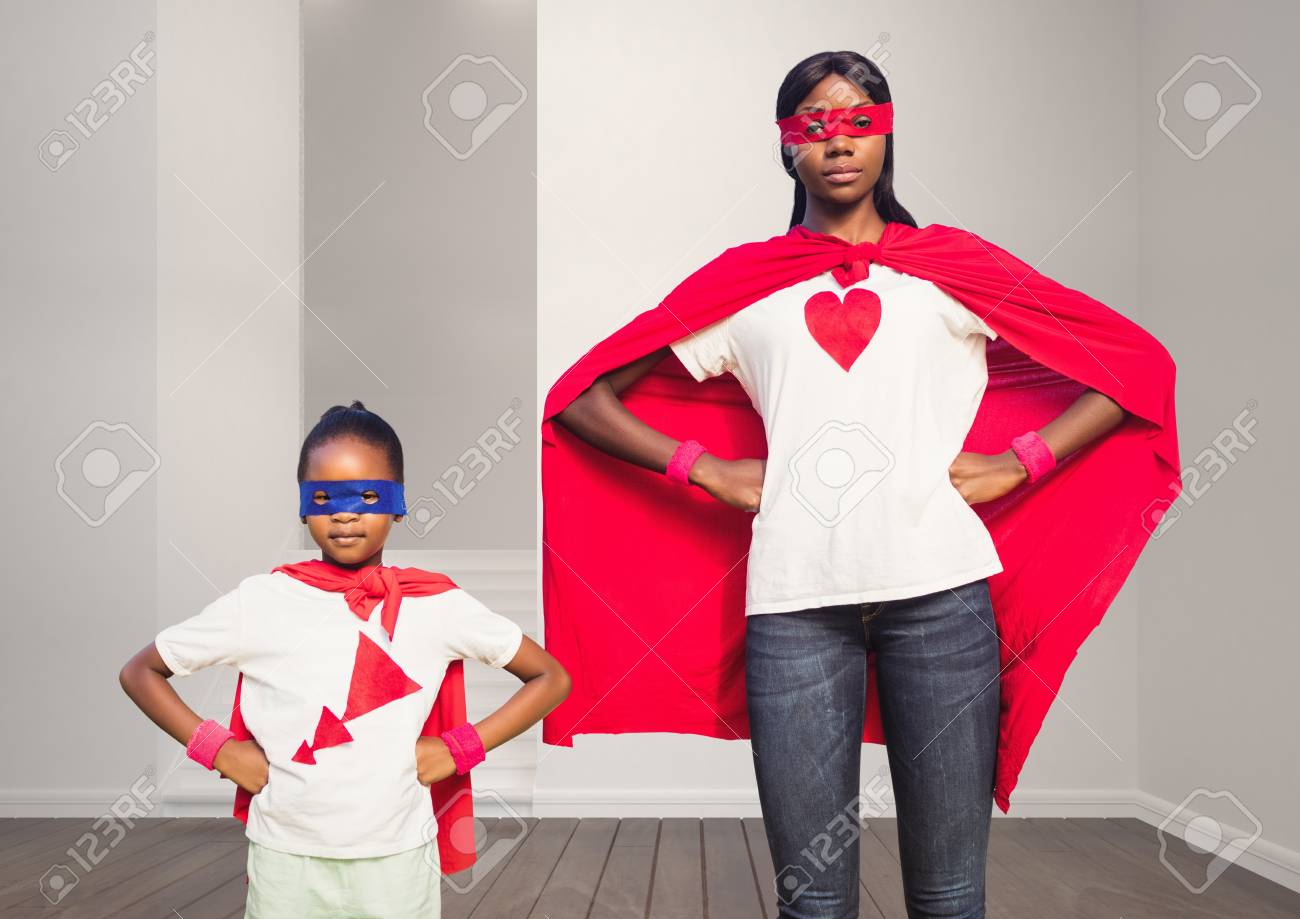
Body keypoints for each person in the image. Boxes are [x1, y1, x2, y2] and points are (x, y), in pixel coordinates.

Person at [541, 51, 1180, 919]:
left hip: (945, 600)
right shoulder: (747, 286)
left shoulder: (948, 269)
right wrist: (702, 467)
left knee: (950, 896)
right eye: (814, 123)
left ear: (886, 136)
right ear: (785, 147)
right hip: (795, 608)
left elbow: (1132, 366)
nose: (837, 140)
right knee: (813, 900)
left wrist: (1022, 459)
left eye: (858, 120)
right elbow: (581, 399)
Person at [119, 401, 571, 919]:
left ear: (400, 504)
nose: (345, 511)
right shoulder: (262, 601)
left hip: (397, 859)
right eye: (324, 496)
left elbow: (550, 676)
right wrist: (219, 751)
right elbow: (141, 672)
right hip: (286, 856)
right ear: (303, 505)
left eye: (368, 494)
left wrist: (459, 748)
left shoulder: (435, 604)